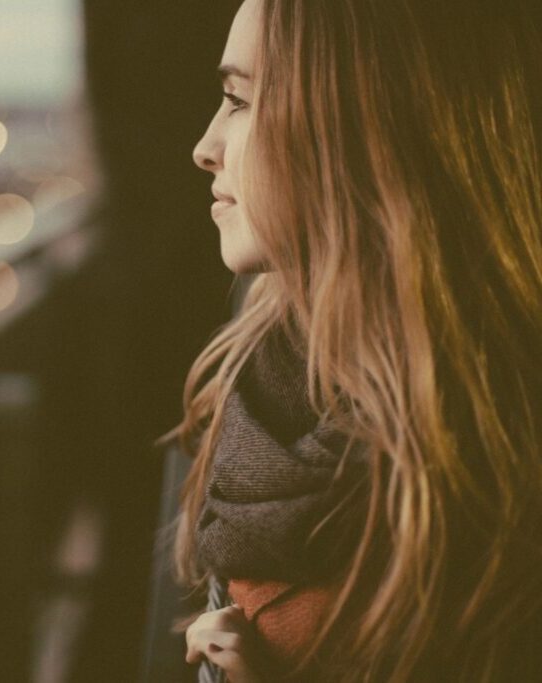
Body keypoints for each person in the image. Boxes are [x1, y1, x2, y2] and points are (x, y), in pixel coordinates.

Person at [165, 0, 542, 680]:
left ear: (365, 123)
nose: (205, 145)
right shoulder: (252, 383)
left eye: (240, 101)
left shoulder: (500, 458)